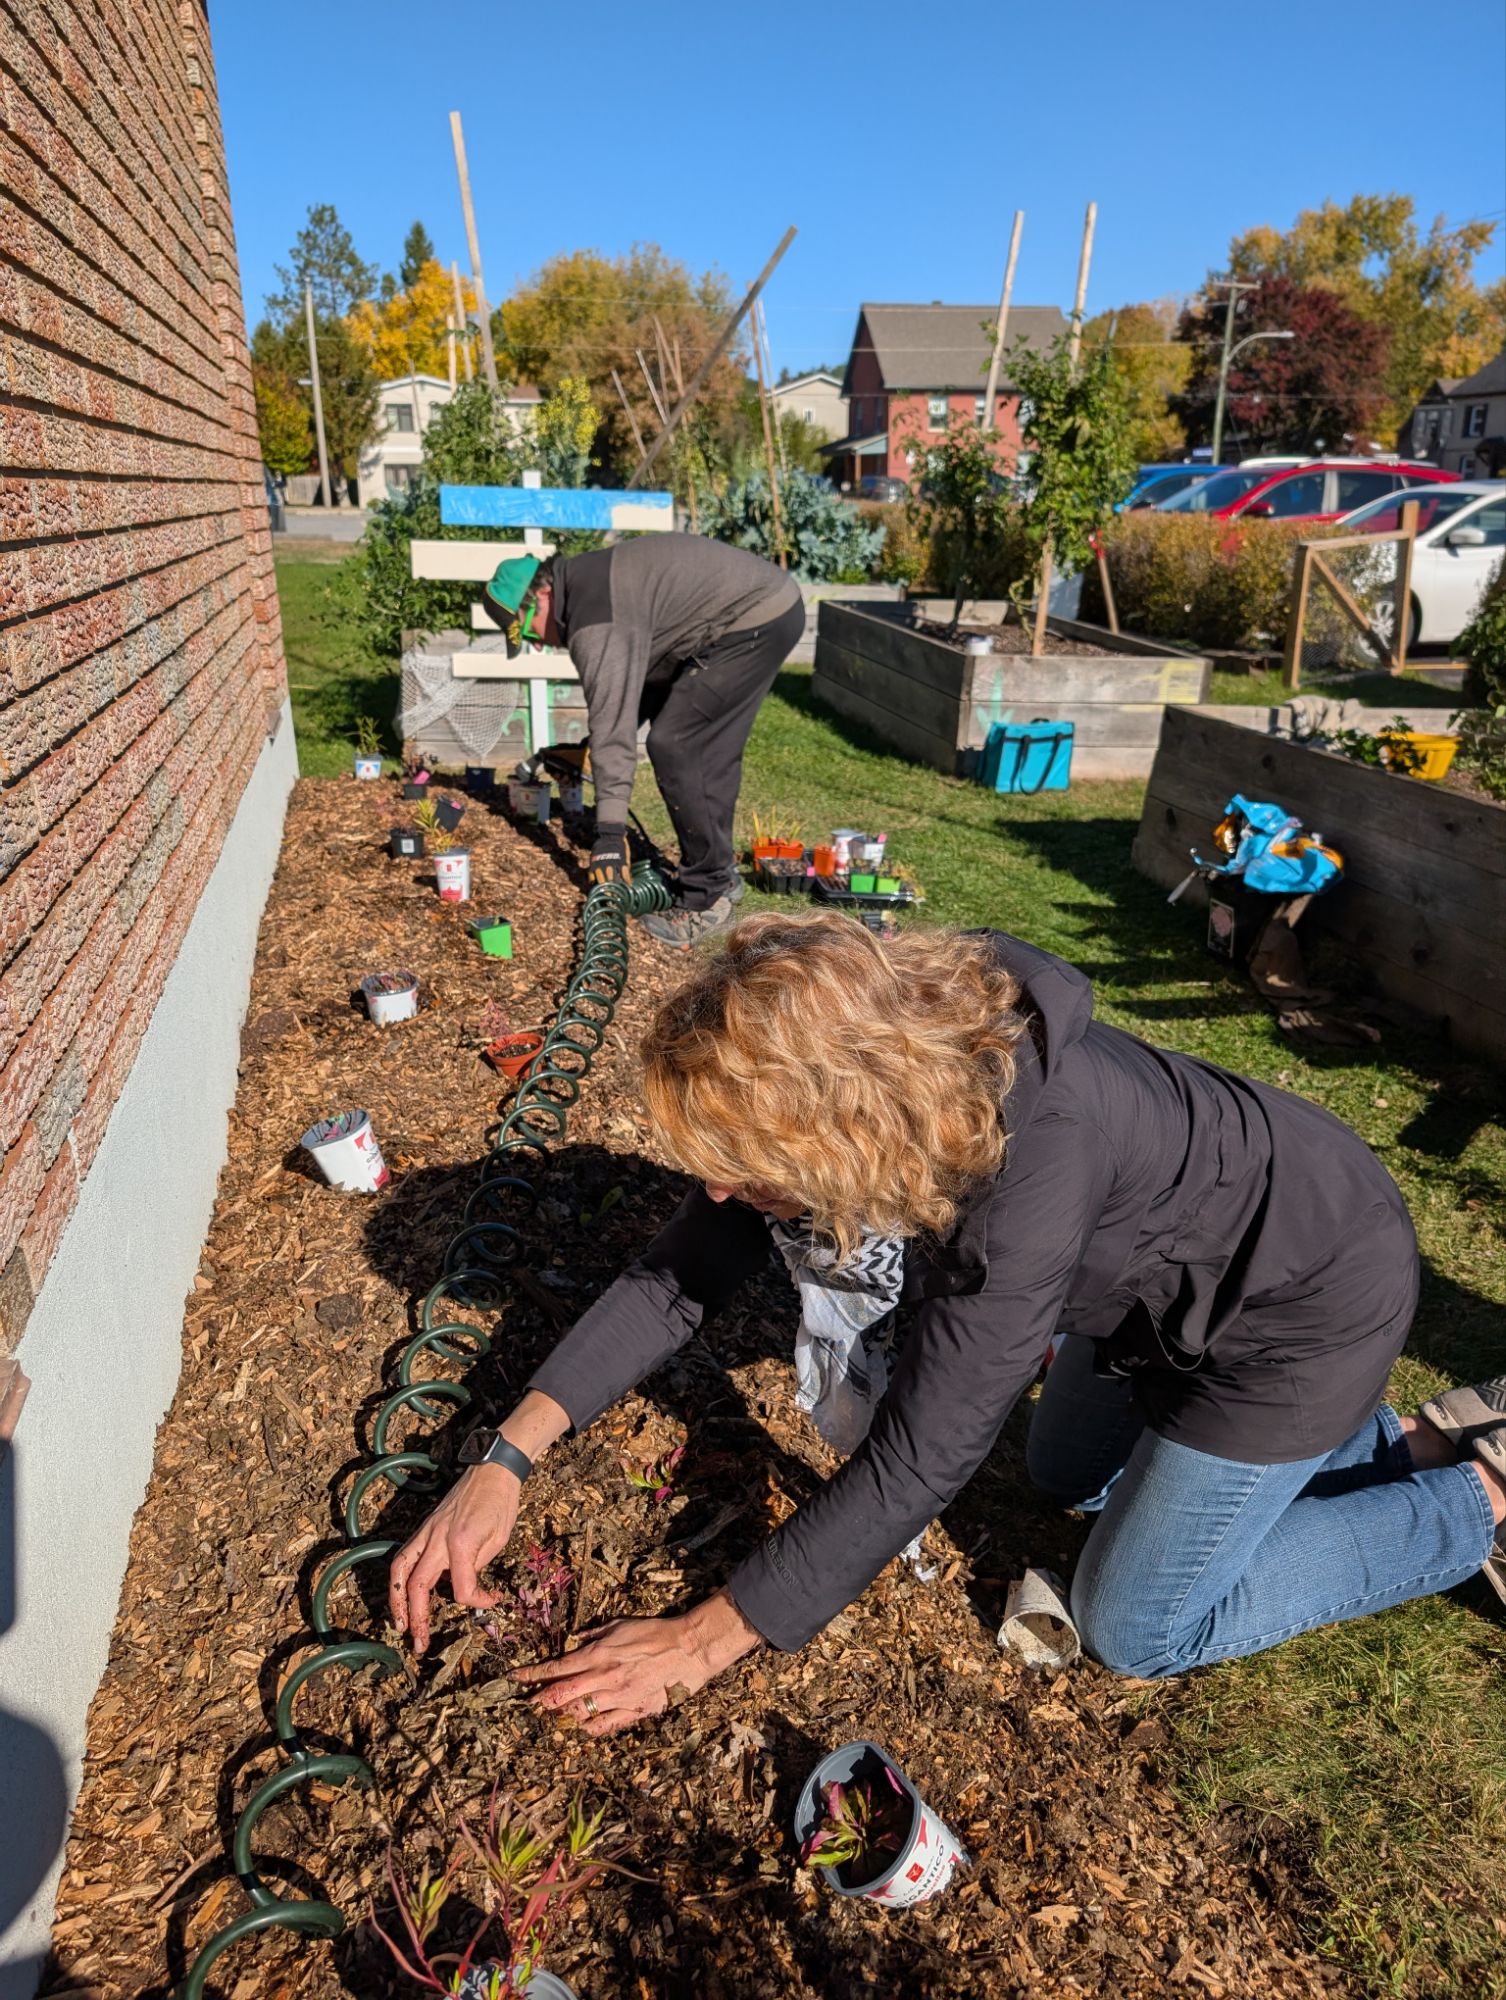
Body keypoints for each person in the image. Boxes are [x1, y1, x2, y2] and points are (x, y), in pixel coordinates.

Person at [389, 914, 1505, 1733]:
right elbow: (683, 1268)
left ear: (842, 1126)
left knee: (1135, 1622)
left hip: (1305, 1305)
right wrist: (505, 1455)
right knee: (1063, 1473)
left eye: (746, 1174)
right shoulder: (895, 1053)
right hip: (1158, 1293)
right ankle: (1387, 1443)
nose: (721, 1196)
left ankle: (1475, 1494)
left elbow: (922, 1453)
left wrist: (702, 1639)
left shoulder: (1021, 1184)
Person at [485, 535, 804, 949]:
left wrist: (610, 838)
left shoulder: (594, 618)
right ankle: (718, 875)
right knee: (699, 744)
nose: (537, 644)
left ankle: (706, 898)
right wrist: (589, 749)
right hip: (758, 610)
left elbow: (616, 732)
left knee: (679, 744)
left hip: (752, 618)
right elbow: (635, 693)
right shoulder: (589, 587)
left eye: (528, 630)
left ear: (543, 594)